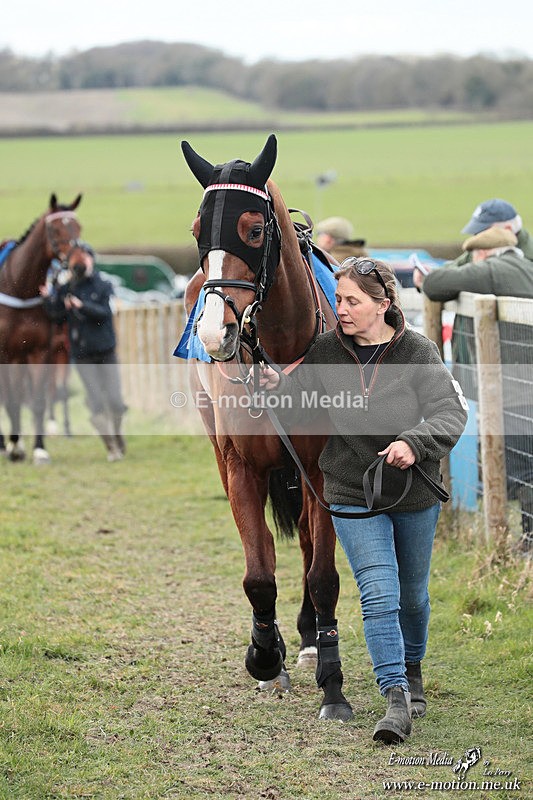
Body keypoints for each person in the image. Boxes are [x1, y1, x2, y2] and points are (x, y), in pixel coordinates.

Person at [258, 257, 468, 743]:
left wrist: (414, 443)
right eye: (338, 300)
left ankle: (412, 669)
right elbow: (301, 405)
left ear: (382, 304)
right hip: (352, 490)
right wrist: (277, 388)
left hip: (414, 491)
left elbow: (449, 411)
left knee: (412, 597)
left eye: (352, 301)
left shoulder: (416, 351)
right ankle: (395, 696)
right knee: (378, 593)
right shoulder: (327, 351)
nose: (342, 309)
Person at [418, 227, 533, 549]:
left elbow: (434, 284)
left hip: (516, 390)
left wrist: (454, 266)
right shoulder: (527, 266)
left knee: (521, 469)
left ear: (481, 254)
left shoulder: (493, 269)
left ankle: (528, 541)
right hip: (523, 384)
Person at [40, 240, 127, 461]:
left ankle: (117, 434)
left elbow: (104, 312)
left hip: (106, 351)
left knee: (115, 400)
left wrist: (82, 306)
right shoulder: (67, 288)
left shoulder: (103, 285)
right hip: (82, 354)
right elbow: (56, 316)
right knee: (96, 401)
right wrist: (48, 299)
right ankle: (111, 447)